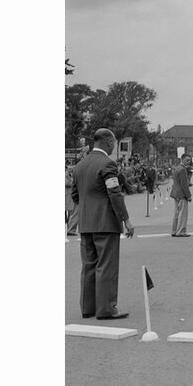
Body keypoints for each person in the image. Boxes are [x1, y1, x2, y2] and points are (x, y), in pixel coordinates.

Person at [71, 128, 135, 320]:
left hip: (86, 223)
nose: (114, 147)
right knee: (106, 265)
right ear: (108, 142)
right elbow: (114, 193)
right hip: (106, 223)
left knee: (88, 265)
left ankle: (88, 307)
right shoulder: (107, 164)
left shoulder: (79, 166)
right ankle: (106, 308)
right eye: (114, 143)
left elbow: (75, 196)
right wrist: (126, 219)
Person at [171, 153, 193, 237]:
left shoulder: (177, 168)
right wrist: (189, 196)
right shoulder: (183, 170)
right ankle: (181, 231)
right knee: (182, 214)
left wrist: (188, 183)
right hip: (181, 194)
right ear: (182, 159)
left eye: (189, 161)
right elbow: (184, 185)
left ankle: (174, 230)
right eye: (187, 160)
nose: (188, 162)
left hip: (175, 193)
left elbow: (179, 181)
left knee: (176, 213)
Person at [64, 160, 79, 235]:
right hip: (68, 196)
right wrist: (73, 182)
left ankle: (70, 228)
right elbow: (66, 183)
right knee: (72, 212)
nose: (70, 170)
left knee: (71, 212)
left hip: (70, 196)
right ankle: (70, 229)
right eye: (69, 168)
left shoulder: (69, 175)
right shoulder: (65, 175)